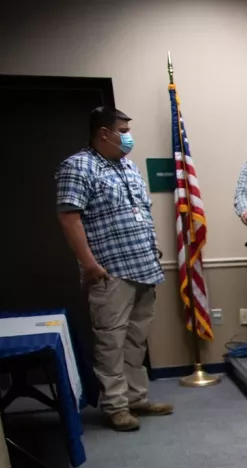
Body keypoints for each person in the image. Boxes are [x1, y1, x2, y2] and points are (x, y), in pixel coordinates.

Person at [55, 106, 173, 432]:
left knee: (136, 340)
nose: (128, 136)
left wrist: (151, 246)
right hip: (110, 270)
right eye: (123, 131)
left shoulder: (128, 166)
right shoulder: (78, 166)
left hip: (143, 265)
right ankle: (116, 406)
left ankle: (136, 398)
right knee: (111, 341)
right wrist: (89, 264)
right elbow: (68, 217)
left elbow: (140, 211)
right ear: (104, 133)